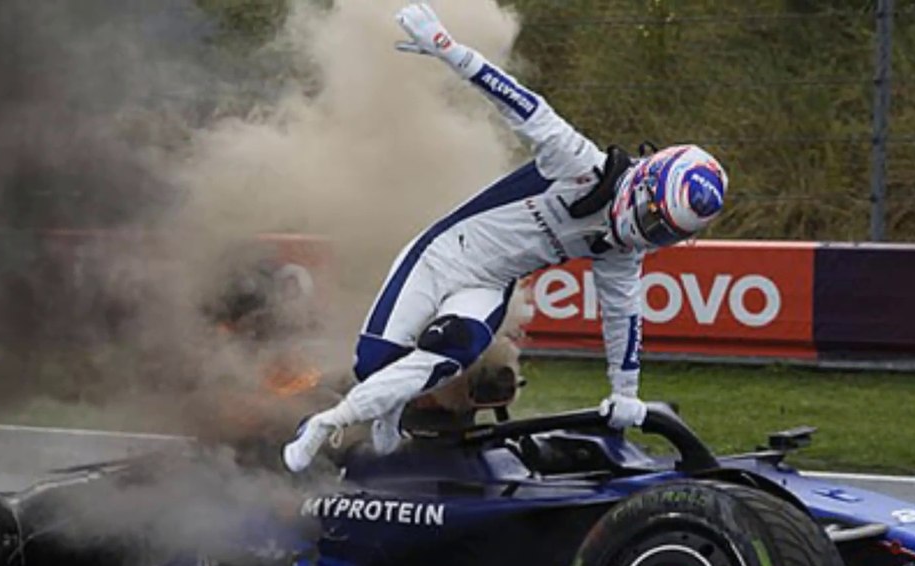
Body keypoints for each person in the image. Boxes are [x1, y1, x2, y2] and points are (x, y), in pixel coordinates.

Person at [282, 2, 727, 472]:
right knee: (373, 362)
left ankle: (329, 423)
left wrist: (626, 394)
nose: (646, 234)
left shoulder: (622, 250)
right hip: (441, 255)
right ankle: (372, 411)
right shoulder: (576, 161)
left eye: (664, 234)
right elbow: (513, 97)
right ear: (645, 181)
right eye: (653, 218)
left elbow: (624, 320)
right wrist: (446, 47)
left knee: (451, 352)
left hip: (488, 285)